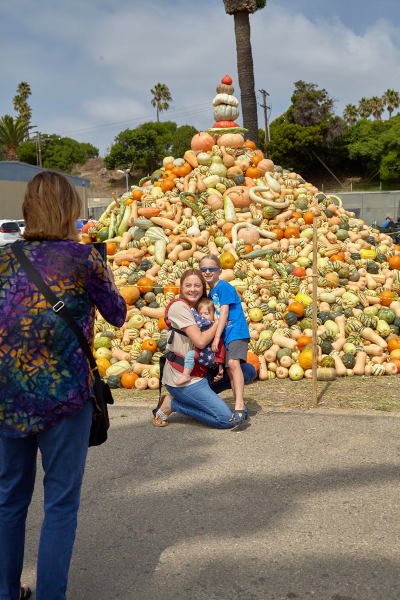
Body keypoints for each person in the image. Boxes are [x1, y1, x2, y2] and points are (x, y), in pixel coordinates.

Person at [0, 170, 127, 600]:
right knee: (59, 503)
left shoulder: (1, 260)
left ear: (27, 208)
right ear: (70, 209)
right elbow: (118, 313)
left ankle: (5, 591)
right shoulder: (84, 258)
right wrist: (102, 266)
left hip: (7, 399)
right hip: (65, 398)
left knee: (8, 501)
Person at [152, 269, 256, 428]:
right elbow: (200, 342)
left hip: (203, 372)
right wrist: (219, 322)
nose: (192, 289)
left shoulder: (206, 307)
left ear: (203, 288)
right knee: (224, 419)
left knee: (247, 371)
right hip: (183, 378)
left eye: (197, 285)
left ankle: (200, 400)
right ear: (181, 287)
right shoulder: (179, 307)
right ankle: (171, 404)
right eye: (188, 285)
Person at [200, 255, 251, 426]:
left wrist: (215, 337)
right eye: (204, 269)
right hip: (226, 334)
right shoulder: (210, 292)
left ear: (219, 271)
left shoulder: (224, 286)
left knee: (235, 364)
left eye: (212, 269)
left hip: (235, 330)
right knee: (230, 369)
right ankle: (240, 404)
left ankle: (239, 406)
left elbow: (225, 313)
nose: (207, 272)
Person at [175, 298, 223, 386]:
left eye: (206, 313)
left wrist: (190, 309)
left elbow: (195, 317)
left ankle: (186, 375)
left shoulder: (206, 324)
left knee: (190, 355)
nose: (203, 316)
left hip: (205, 355)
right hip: (210, 358)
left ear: (214, 315)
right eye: (200, 313)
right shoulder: (217, 325)